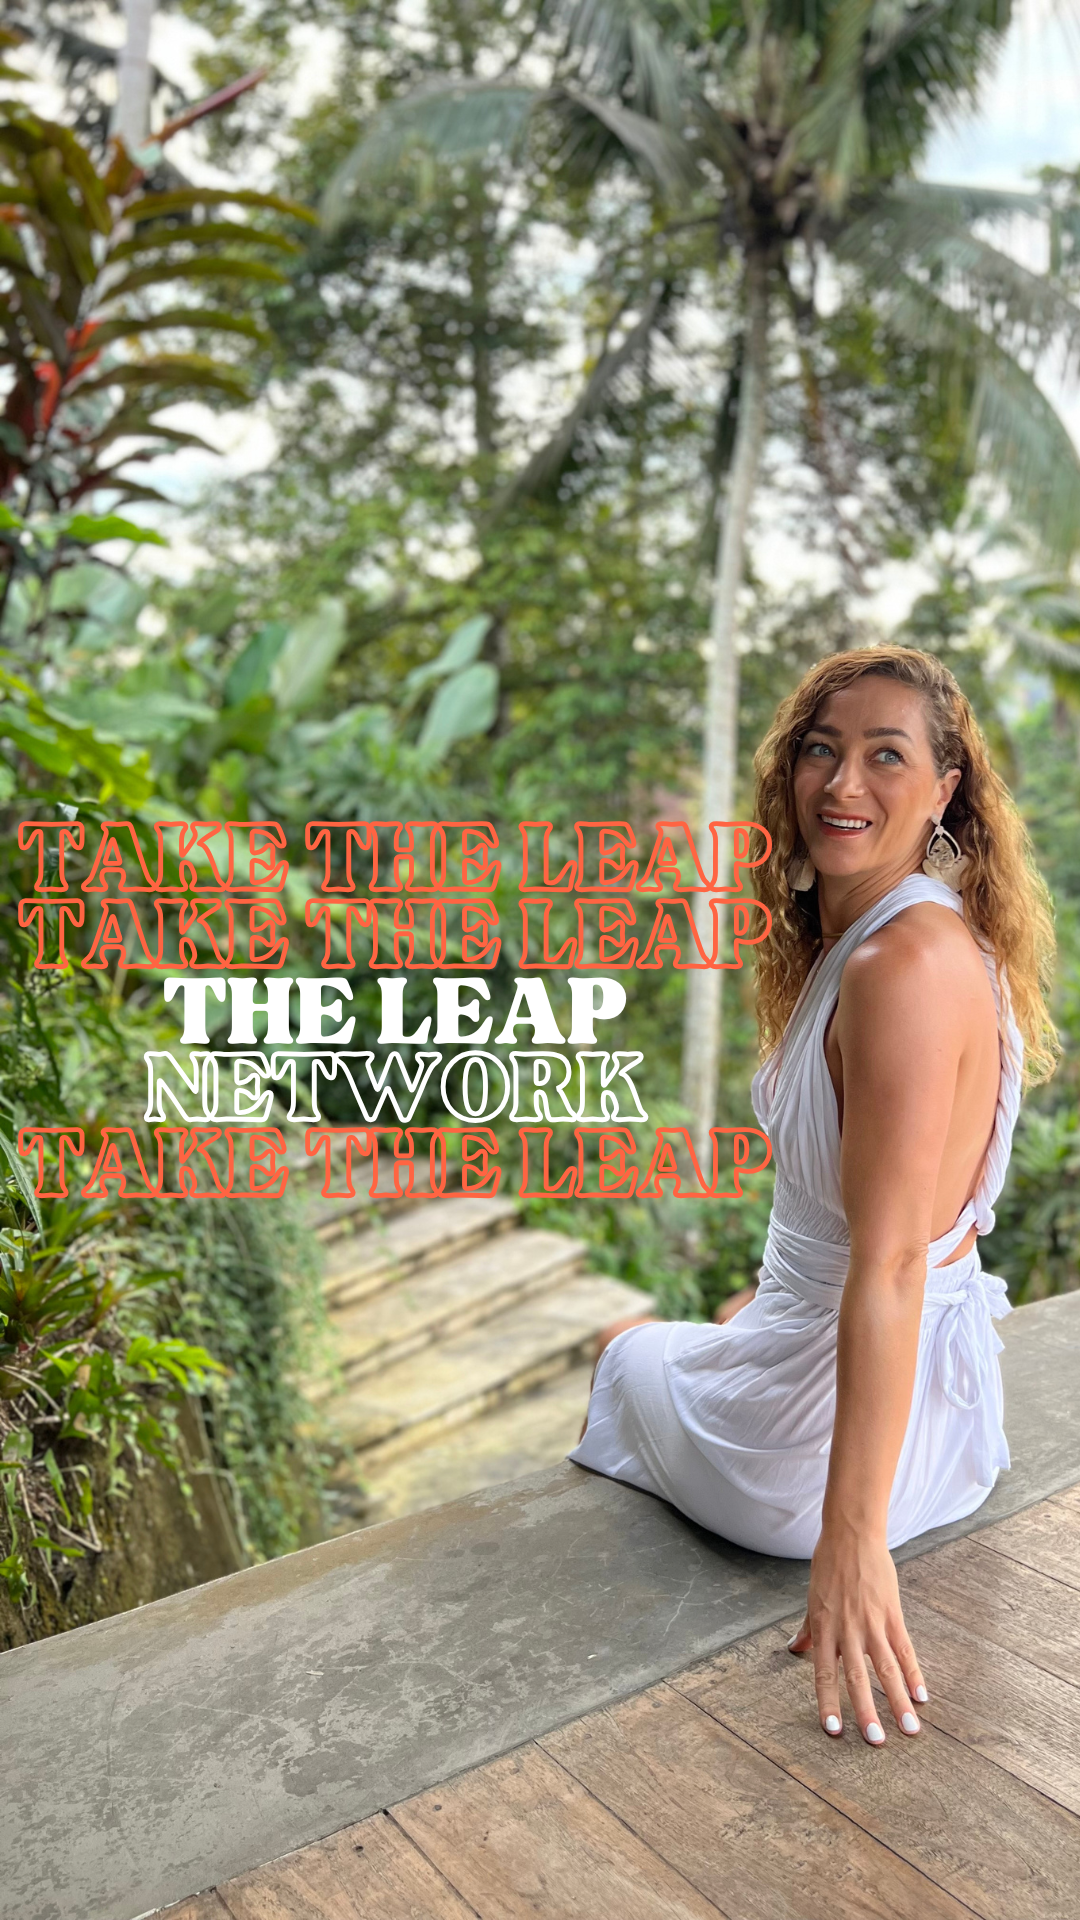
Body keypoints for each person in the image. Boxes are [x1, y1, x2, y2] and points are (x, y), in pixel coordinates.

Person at [568, 646, 1059, 1748]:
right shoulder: (924, 935)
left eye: (887, 756)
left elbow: (886, 1262)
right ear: (788, 773)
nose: (842, 785)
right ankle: (752, 1343)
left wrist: (853, 1543)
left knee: (624, 1352)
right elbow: (906, 1231)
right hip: (941, 1416)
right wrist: (782, 1303)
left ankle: (764, 1409)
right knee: (697, 1331)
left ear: (945, 790)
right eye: (821, 751)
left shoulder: (898, 968)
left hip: (831, 1458)